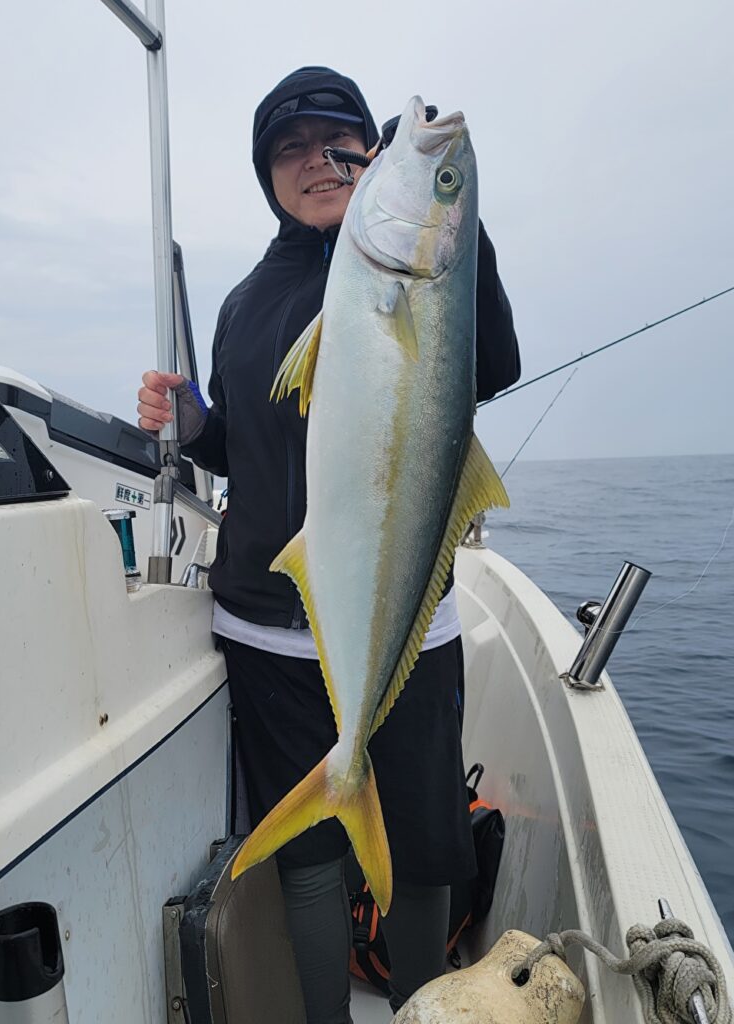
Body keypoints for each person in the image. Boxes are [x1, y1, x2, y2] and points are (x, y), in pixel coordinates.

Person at [138, 66, 520, 1024]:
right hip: (270, 631)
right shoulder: (241, 305)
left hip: (407, 629)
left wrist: (453, 219)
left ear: (371, 156)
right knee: (310, 857)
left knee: (431, 848)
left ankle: (426, 1006)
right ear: (268, 176)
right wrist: (186, 418)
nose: (317, 161)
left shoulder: (422, 266)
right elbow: (239, 442)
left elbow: (497, 361)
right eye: (290, 148)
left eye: (337, 141)